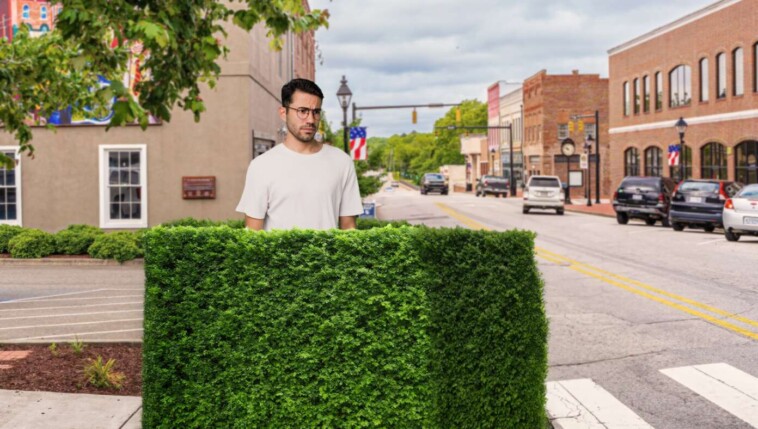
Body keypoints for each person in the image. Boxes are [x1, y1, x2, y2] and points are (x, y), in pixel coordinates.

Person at [236, 78, 363, 231]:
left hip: (327, 255)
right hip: (278, 255)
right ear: (283, 113)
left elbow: (349, 228)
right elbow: (252, 235)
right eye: (302, 111)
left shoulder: (342, 162)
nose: (310, 119)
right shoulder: (261, 166)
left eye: (316, 112)